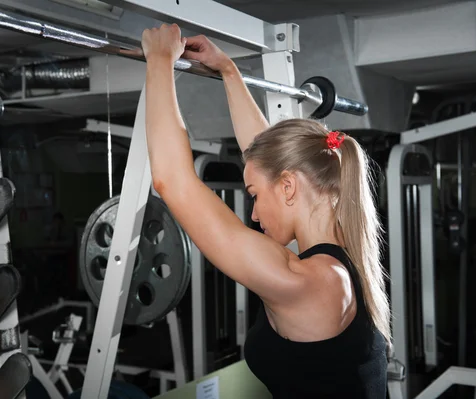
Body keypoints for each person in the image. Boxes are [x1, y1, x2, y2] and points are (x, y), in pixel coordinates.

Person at [141, 24, 390, 398]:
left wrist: (158, 60)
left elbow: (172, 181)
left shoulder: (307, 282)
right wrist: (227, 71)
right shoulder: (339, 262)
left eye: (254, 196)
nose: (254, 214)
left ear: (289, 187)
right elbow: (266, 159)